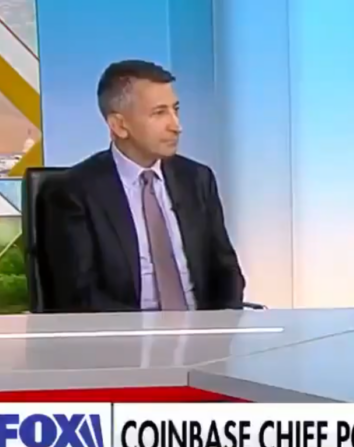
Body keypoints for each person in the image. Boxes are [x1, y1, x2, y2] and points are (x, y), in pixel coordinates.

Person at [38, 60, 245, 312]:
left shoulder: (197, 179)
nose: (176, 126)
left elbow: (226, 270)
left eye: (175, 109)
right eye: (159, 113)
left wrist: (222, 322)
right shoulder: (72, 192)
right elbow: (79, 296)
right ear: (119, 125)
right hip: (124, 334)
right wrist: (149, 331)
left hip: (203, 330)